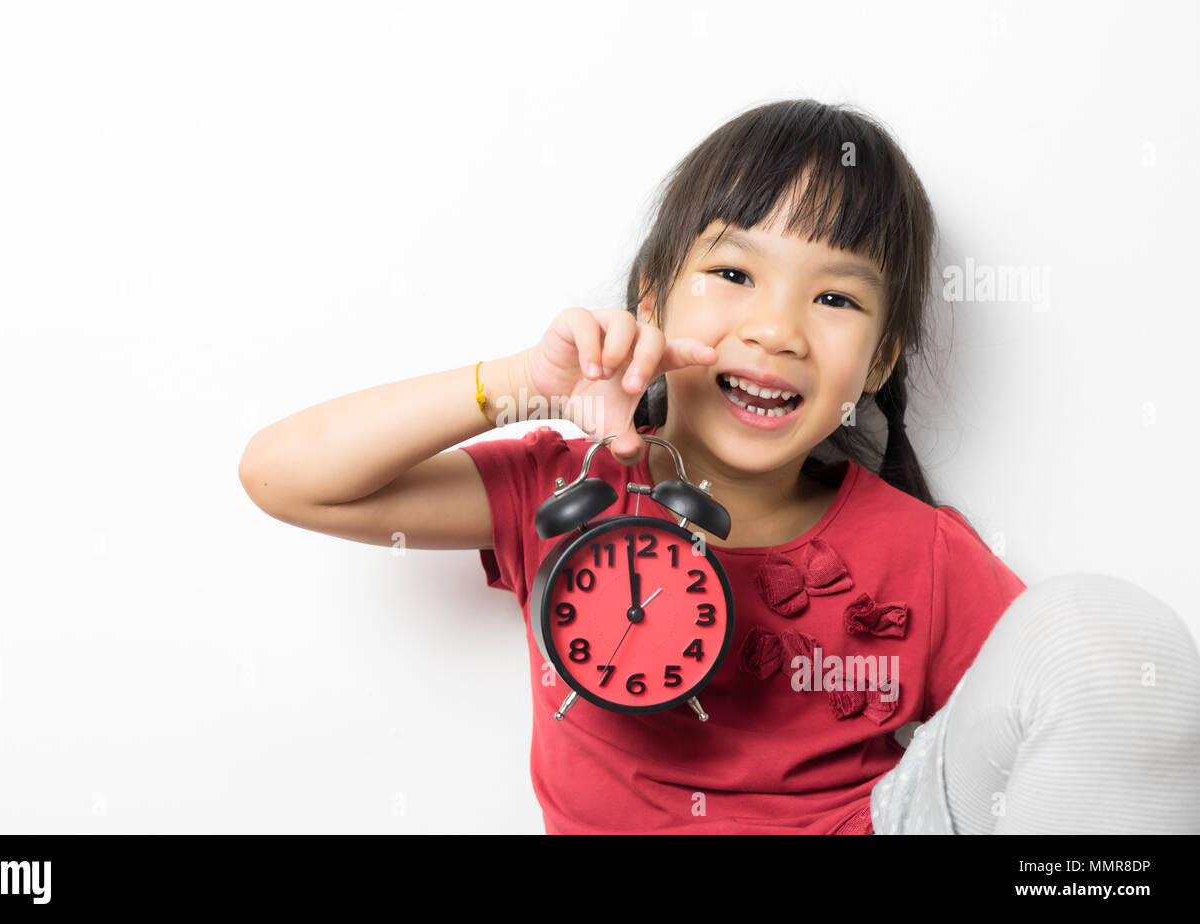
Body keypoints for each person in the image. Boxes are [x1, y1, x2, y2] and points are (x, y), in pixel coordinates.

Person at [238, 99, 1200, 834]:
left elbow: (1081, 704)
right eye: (734, 275)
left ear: (879, 361)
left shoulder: (921, 553)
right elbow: (287, 476)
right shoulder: (567, 491)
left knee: (1111, 642)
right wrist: (522, 383)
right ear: (650, 301)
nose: (775, 328)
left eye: (834, 298)